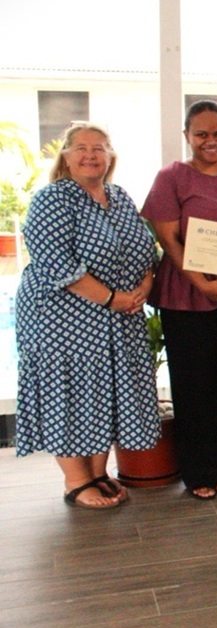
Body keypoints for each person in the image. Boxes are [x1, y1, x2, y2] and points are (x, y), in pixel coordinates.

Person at [15, 122, 159, 509]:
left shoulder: (119, 196)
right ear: (66, 156)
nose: (91, 154)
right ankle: (76, 482)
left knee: (106, 392)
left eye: (100, 147)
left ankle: (99, 473)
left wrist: (144, 285)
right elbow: (57, 264)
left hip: (119, 316)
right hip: (63, 320)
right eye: (81, 148)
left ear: (111, 156)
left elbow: (147, 247)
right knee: (73, 393)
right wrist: (111, 298)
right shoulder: (54, 199)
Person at [142, 100, 217, 500]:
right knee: (195, 386)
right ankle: (200, 472)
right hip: (186, 299)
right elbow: (168, 239)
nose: (211, 141)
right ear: (187, 136)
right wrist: (201, 283)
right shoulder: (172, 176)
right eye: (202, 134)